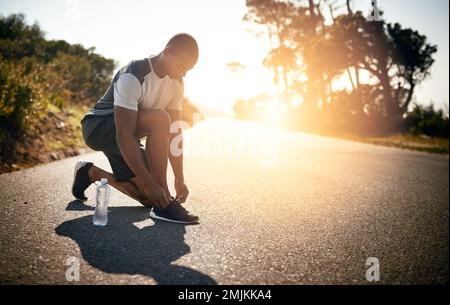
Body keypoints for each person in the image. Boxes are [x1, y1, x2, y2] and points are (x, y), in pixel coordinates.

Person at [72, 33, 199, 224]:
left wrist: (179, 178)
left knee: (150, 197)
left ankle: (90, 173)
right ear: (167, 52)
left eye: (188, 70)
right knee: (160, 119)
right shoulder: (133, 75)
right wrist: (153, 184)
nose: (183, 74)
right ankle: (164, 202)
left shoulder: (177, 83)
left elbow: (175, 132)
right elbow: (124, 134)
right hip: (98, 128)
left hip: (127, 134)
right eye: (181, 67)